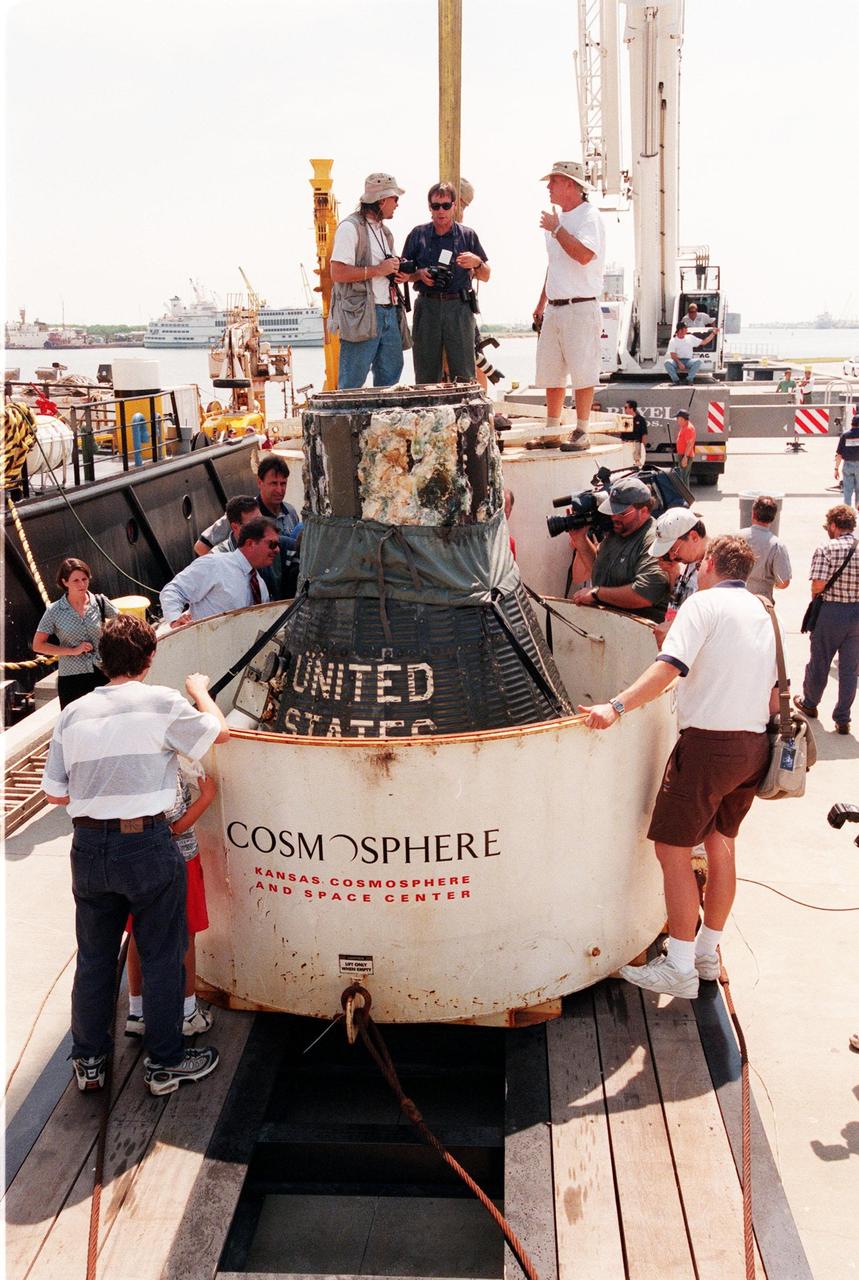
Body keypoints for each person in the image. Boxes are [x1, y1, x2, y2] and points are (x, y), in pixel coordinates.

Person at [579, 536, 780, 998]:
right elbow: (767, 687)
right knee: (721, 842)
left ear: (708, 563)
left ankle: (680, 966)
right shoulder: (763, 610)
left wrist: (616, 706)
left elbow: (669, 668)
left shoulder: (701, 604)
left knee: (671, 851)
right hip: (753, 745)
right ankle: (708, 953)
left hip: (708, 745)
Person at [40, 614, 229, 1095]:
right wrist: (201, 689)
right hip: (146, 844)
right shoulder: (163, 703)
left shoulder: (72, 714)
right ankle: (165, 1064)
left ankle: (89, 1062)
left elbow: (55, 796)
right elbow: (218, 734)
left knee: (95, 959)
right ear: (149, 659)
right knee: (163, 954)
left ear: (102, 661)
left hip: (87, 848)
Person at [126, 765, 218, 1039]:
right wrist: (207, 797)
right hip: (180, 860)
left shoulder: (127, 760)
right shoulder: (162, 759)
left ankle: (137, 1010)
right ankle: (188, 1011)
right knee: (185, 932)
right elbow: (174, 825)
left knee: (137, 932)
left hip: (135, 858)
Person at [533, 161, 605, 449]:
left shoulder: (589, 217)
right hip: (557, 307)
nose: (548, 187)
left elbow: (584, 255)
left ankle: (582, 430)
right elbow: (555, 266)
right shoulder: (558, 219)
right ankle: (552, 430)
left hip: (580, 306)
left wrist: (556, 229)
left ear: (570, 185)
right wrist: (541, 303)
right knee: (552, 371)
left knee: (582, 371)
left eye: (553, 182)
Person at [400, 182, 490, 384]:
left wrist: (476, 262)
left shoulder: (467, 235)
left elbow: (486, 275)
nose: (441, 211)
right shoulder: (417, 235)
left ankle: (466, 413)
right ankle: (427, 413)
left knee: (464, 372)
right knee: (425, 373)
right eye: (436, 206)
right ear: (429, 207)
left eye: (446, 206)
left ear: (454, 205)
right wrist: (419, 274)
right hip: (427, 306)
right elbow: (404, 274)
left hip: (459, 306)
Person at [329, 171, 408, 390]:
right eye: (395, 199)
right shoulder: (349, 228)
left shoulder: (385, 232)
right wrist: (378, 270)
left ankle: (382, 423)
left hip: (388, 311)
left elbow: (384, 269)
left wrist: (396, 273)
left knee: (391, 377)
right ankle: (346, 423)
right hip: (362, 313)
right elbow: (337, 273)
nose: (397, 204)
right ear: (382, 200)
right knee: (352, 382)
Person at [195, 456, 300, 598]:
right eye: (273, 483)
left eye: (283, 484)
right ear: (260, 483)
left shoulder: (291, 512)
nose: (279, 489)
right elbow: (201, 547)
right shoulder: (243, 512)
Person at [794, 504, 858, 735]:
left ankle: (810, 703)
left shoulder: (826, 548)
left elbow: (818, 584)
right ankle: (843, 718)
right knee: (850, 669)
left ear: (833, 525)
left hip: (831, 612)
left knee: (820, 660)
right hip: (857, 615)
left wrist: (818, 597)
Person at [569, 476, 669, 623]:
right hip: (611, 625)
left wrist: (597, 594)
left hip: (639, 630)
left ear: (645, 511)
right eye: (612, 511)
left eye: (622, 513)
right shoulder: (618, 532)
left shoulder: (654, 540)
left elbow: (645, 594)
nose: (615, 517)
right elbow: (599, 572)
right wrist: (580, 539)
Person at [160, 517, 279, 627]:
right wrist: (175, 621)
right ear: (250, 543)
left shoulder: (260, 585)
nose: (277, 550)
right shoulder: (215, 564)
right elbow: (174, 590)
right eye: (272, 544)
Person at [32, 558, 118, 708]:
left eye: (84, 579)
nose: (82, 584)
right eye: (76, 581)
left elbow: (124, 623)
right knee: (75, 725)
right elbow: (38, 645)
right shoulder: (55, 611)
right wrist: (72, 651)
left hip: (103, 672)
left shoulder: (100, 602)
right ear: (65, 582)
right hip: (72, 678)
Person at [650, 507, 708, 640]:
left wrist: (674, 628)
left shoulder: (715, 569)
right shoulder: (688, 562)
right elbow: (678, 601)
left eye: (673, 549)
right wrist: (673, 573)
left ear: (693, 537)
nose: (671, 556)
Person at [740, 495, 792, 601]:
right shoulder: (777, 546)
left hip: (735, 600)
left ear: (753, 514)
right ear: (773, 518)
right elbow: (783, 582)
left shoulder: (735, 537)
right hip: (761, 603)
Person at [834, 412, 859, 507]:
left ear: (852, 423)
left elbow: (839, 455)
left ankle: (848, 512)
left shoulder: (845, 436)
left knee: (847, 490)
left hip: (847, 465)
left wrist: (836, 469)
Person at [623, 399, 648, 466]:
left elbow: (644, 434)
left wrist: (643, 447)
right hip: (625, 444)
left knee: (637, 463)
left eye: (626, 408)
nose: (624, 409)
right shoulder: (624, 419)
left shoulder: (640, 420)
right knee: (625, 463)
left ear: (631, 409)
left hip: (636, 444)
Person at [674, 409, 696, 480]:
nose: (677, 420)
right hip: (683, 455)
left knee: (683, 478)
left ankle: (684, 491)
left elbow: (689, 444)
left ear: (682, 419)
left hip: (685, 455)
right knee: (682, 477)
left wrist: (685, 457)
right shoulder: (684, 426)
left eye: (678, 418)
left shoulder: (688, 428)